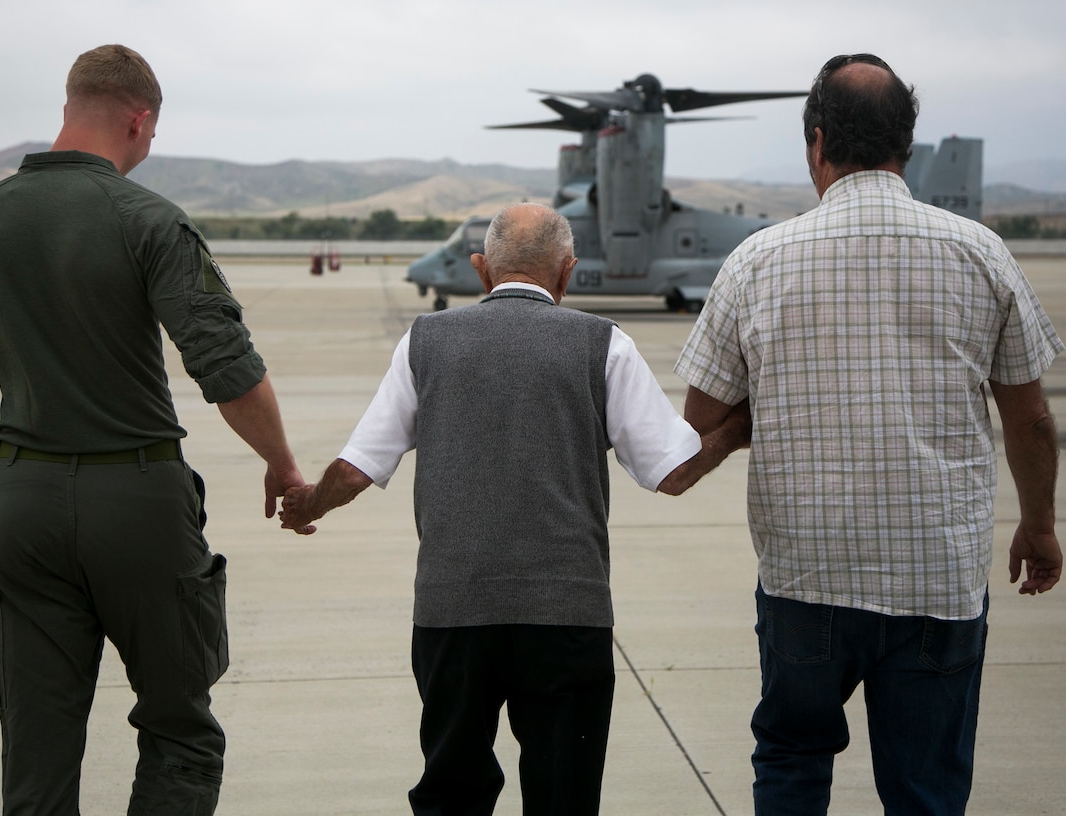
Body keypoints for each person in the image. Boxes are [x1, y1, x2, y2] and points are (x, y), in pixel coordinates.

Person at [674, 53, 1063, 815]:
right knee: (925, 788)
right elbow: (1031, 418)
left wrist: (762, 414)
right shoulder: (980, 252)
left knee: (791, 758)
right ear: (906, 143)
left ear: (817, 143)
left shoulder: (756, 260)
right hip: (936, 581)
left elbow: (697, 426)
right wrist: (1041, 525)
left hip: (805, 578)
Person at [279, 202, 750, 815]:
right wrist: (738, 426)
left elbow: (356, 469)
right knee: (563, 798)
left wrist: (305, 504)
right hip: (566, 616)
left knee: (452, 794)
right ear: (568, 271)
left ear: (481, 270)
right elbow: (674, 472)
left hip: (453, 612)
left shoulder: (425, 341)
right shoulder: (603, 344)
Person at [0, 45, 307, 815]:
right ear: (139, 119)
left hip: (20, 502)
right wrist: (283, 465)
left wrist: (12, 479)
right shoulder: (147, 218)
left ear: (68, 110)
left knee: (36, 752)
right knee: (180, 732)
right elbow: (226, 365)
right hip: (136, 501)